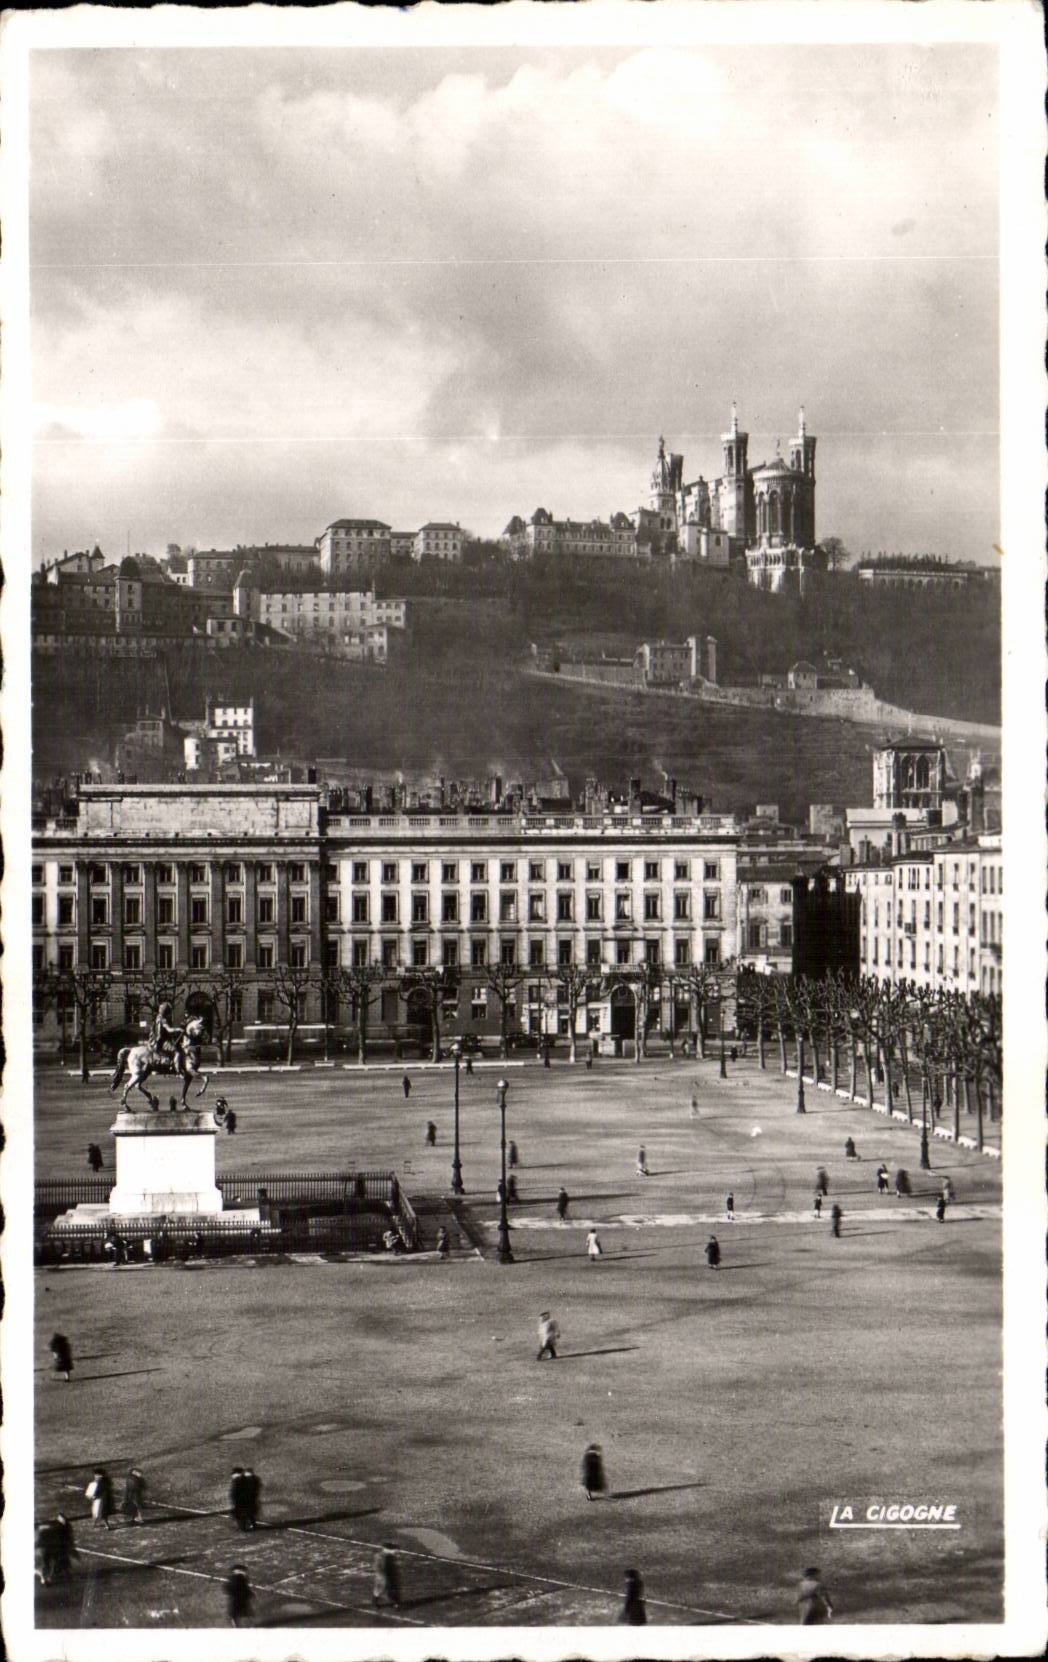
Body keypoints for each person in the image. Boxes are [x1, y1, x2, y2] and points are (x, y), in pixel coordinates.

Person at [230, 1467, 251, 1531]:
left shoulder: (237, 1480)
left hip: (239, 1500)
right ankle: (243, 1526)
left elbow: (234, 1492)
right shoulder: (244, 1479)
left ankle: (242, 1527)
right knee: (241, 1514)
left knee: (238, 1514)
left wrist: (234, 1501)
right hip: (244, 1500)